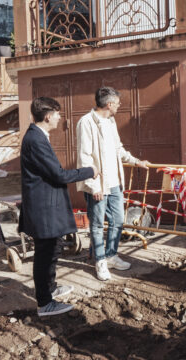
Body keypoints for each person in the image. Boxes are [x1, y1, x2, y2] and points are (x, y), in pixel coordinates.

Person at [20, 97, 98, 317]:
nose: (59, 118)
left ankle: (51, 287)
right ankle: (45, 303)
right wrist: (89, 171)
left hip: (47, 205)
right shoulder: (35, 139)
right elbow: (59, 174)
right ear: (48, 116)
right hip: (42, 207)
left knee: (54, 247)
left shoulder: (38, 136)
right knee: (45, 253)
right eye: (57, 114)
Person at [76, 86, 150, 281]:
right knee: (98, 224)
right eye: (117, 103)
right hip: (98, 185)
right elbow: (85, 158)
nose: (119, 106)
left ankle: (111, 254)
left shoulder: (110, 121)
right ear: (109, 104)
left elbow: (118, 149)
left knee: (117, 221)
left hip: (114, 183)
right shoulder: (86, 122)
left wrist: (136, 161)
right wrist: (93, 187)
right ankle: (100, 261)